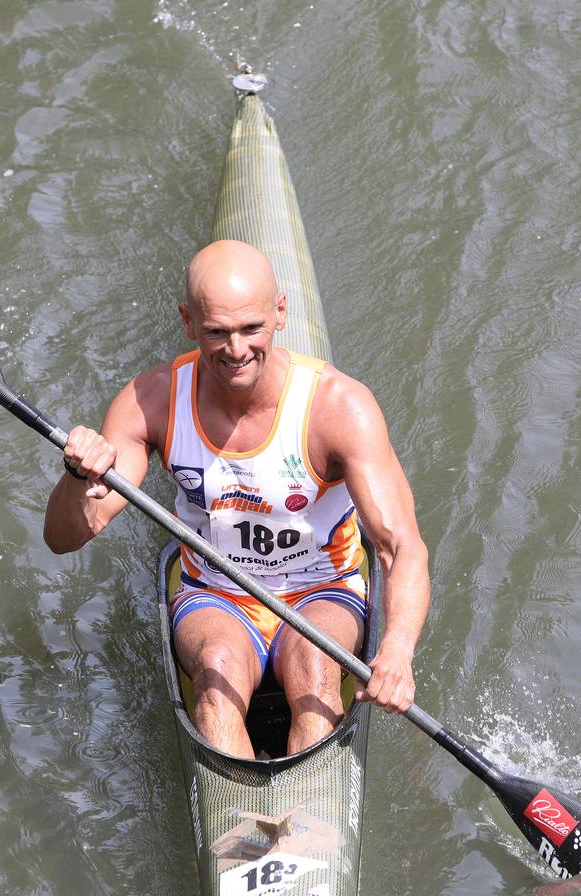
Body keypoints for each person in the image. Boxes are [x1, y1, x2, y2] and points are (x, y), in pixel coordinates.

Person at [43, 240, 429, 759]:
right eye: (216, 332)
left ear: (281, 313)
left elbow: (401, 547)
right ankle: (243, 822)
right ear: (187, 322)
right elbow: (67, 537)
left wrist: (397, 652)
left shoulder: (338, 408)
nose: (236, 350)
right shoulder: (151, 401)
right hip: (217, 595)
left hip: (321, 587)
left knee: (316, 669)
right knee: (218, 668)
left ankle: (309, 821)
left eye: (252, 329)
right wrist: (74, 476)